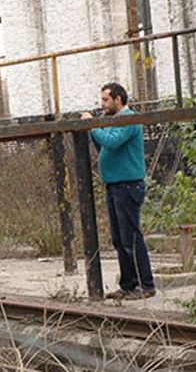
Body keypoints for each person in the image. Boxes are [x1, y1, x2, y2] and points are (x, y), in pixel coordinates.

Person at [81, 82, 156, 300]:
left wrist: (93, 126)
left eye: (105, 99)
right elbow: (104, 146)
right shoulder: (115, 121)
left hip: (128, 185)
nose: (102, 104)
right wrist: (95, 129)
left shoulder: (128, 119)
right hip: (115, 185)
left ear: (118, 99)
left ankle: (146, 284)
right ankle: (129, 284)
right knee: (119, 238)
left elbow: (112, 143)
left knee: (131, 237)